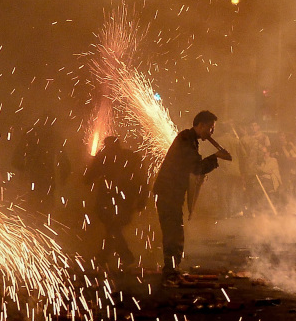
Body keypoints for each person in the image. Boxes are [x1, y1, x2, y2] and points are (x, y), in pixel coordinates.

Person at [153, 110, 232, 284]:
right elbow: (196, 167)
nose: (211, 133)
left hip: (173, 193)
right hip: (168, 192)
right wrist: (216, 157)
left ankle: (173, 270)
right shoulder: (185, 140)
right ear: (201, 125)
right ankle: (170, 274)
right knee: (173, 232)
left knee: (176, 231)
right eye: (210, 128)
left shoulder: (190, 140)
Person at [83, 135, 148, 266]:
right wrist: (142, 199)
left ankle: (120, 256)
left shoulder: (103, 156)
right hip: (125, 200)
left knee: (113, 229)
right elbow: (143, 180)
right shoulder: (131, 157)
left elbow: (88, 178)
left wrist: (89, 168)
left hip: (108, 201)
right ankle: (106, 257)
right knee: (113, 229)